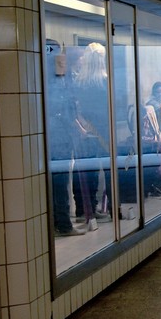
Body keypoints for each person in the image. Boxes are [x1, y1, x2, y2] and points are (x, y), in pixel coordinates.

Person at [71, 42, 111, 232]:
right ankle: (101, 207)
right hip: (102, 130)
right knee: (103, 171)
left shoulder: (79, 81)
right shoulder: (105, 80)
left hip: (84, 130)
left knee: (86, 172)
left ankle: (84, 209)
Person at [45, 41, 83, 236]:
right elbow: (66, 104)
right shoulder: (59, 72)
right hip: (59, 133)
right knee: (60, 181)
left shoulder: (40, 71)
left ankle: (57, 222)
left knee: (54, 181)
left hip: (52, 132)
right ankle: (63, 223)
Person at [142, 82, 161, 198]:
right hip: (154, 135)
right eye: (158, 92)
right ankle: (158, 187)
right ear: (154, 92)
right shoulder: (152, 104)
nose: (160, 94)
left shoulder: (160, 103)